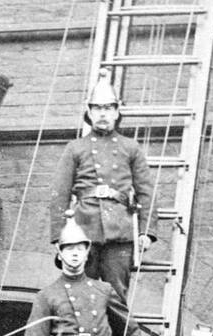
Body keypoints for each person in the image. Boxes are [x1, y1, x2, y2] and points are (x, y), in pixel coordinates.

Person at [47, 76, 157, 302]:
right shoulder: (76, 148)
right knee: (79, 294)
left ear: (117, 112)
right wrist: (59, 236)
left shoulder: (130, 148)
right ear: (89, 112)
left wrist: (146, 232)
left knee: (116, 295)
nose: (103, 114)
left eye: (108, 108)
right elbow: (60, 193)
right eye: (97, 108)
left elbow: (147, 192)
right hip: (83, 230)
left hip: (120, 233)